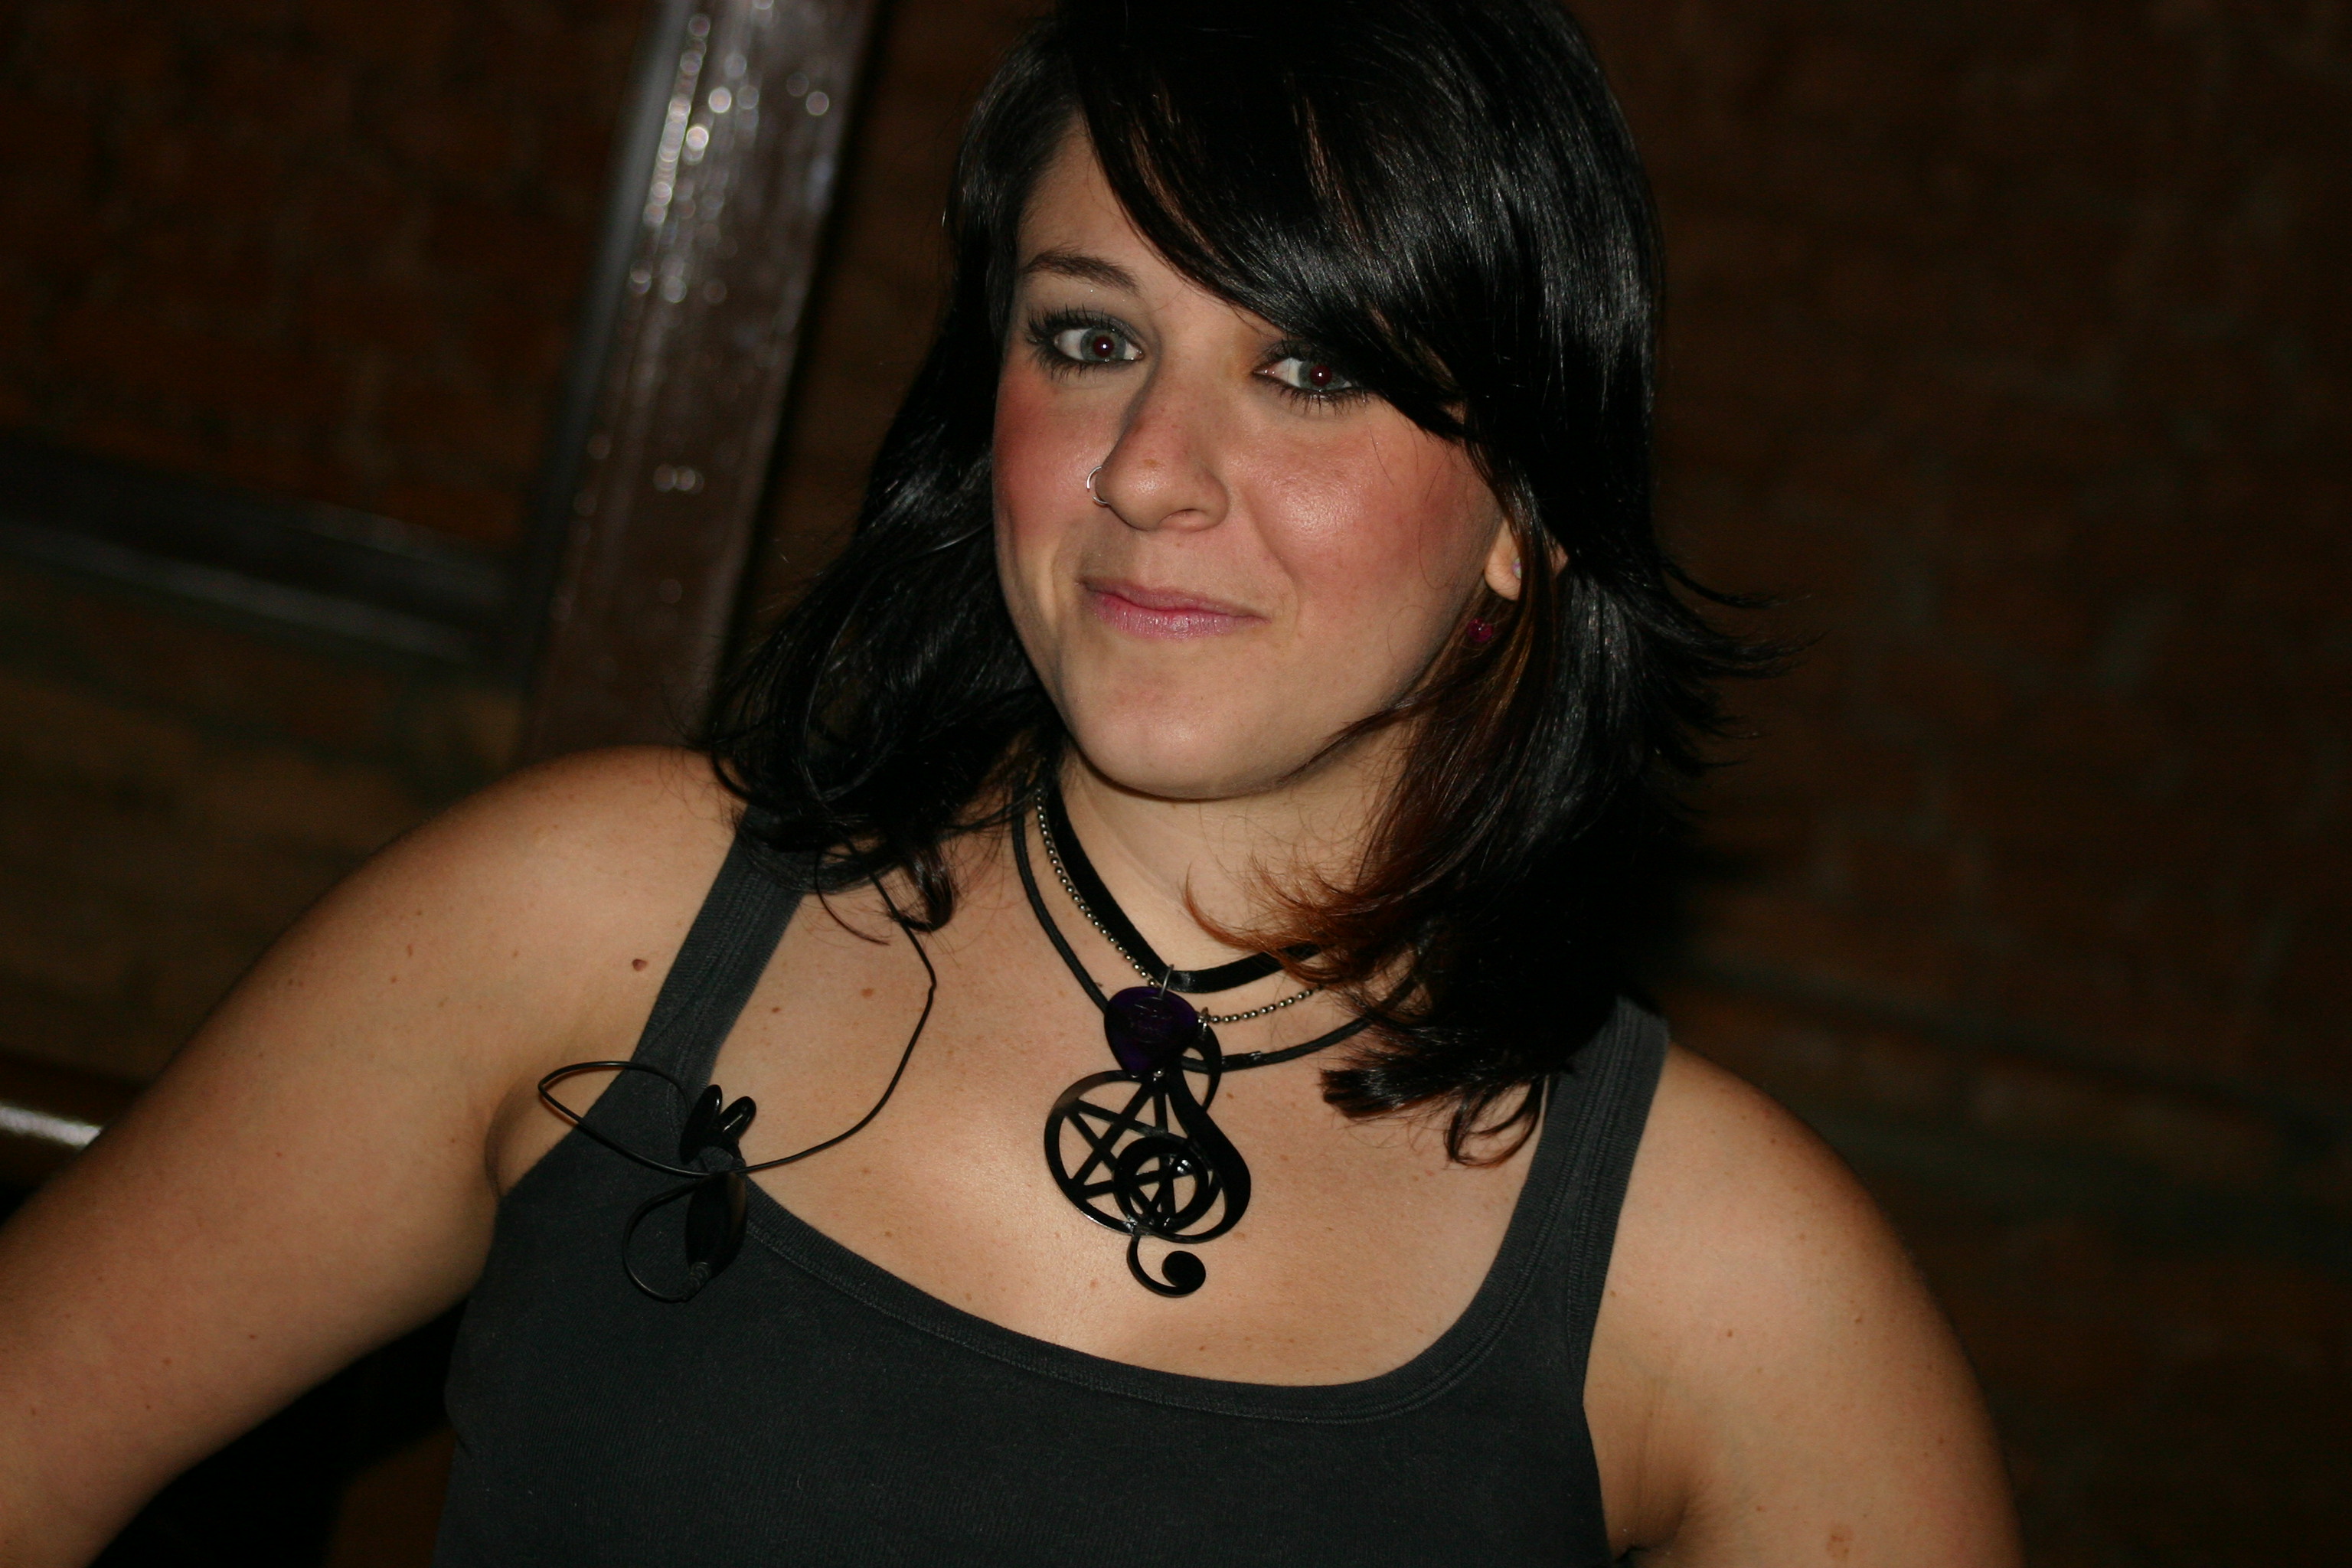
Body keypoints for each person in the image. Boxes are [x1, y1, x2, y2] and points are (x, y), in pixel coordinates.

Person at [0, 2, 2022, 1563]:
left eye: (1310, 369)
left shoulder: (1726, 1276)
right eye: (1087, 337)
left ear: (1524, 510)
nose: (1148, 469)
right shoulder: (578, 924)